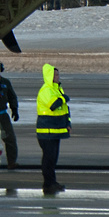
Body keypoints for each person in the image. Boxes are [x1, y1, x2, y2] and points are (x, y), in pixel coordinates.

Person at [36, 63, 70, 194]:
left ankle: (52, 182)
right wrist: (63, 98)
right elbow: (53, 105)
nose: (57, 76)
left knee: (53, 158)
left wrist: (68, 123)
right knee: (49, 158)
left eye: (58, 74)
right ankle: (48, 184)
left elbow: (65, 109)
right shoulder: (46, 90)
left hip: (55, 131)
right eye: (55, 74)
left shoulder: (57, 89)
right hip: (47, 132)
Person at [0, 58, 19, 168]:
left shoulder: (6, 82)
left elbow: (12, 97)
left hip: (3, 115)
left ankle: (12, 162)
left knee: (10, 139)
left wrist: (14, 109)